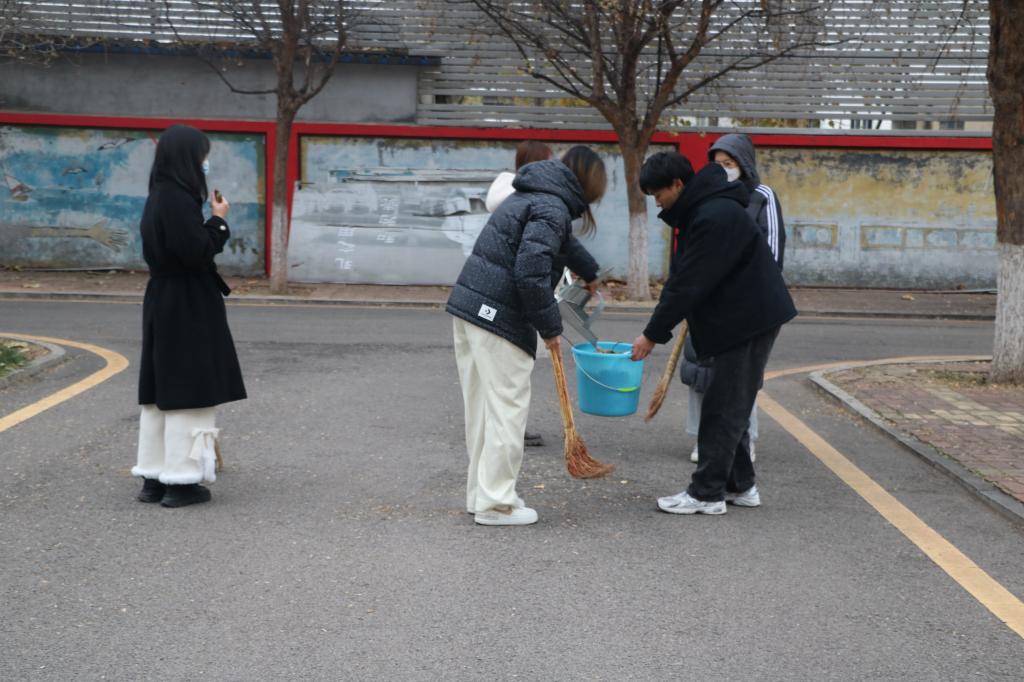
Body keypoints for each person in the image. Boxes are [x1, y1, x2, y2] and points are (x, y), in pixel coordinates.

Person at [447, 146, 606, 526]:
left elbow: (561, 243)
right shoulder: (551, 207)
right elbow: (530, 273)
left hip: (470, 307)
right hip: (500, 316)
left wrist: (589, 271)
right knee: (507, 411)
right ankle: (496, 505)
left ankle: (482, 495)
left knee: (483, 411)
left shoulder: (533, 194)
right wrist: (550, 328)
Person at [631, 151, 796, 515]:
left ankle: (707, 494)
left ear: (678, 184)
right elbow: (687, 279)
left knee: (722, 408)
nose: (657, 202)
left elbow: (687, 284)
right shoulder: (705, 209)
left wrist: (651, 335)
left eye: (658, 193)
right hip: (743, 317)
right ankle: (741, 485)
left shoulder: (712, 215)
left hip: (749, 319)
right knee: (729, 404)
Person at [132, 124, 247, 508]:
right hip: (187, 301)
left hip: (163, 297)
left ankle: (154, 476)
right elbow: (195, 252)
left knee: (161, 388)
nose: (204, 162)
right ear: (189, 158)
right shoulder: (178, 200)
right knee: (190, 388)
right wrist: (219, 221)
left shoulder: (158, 196)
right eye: (202, 155)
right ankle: (182, 481)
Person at [683, 133, 786, 464]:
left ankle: (743, 440)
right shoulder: (708, 197)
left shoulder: (762, 196)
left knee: (740, 377)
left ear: (744, 164)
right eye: (718, 164)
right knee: (699, 369)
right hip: (709, 301)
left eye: (729, 163)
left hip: (747, 304)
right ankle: (704, 438)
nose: (724, 170)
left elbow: (772, 253)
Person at [484, 140, 555, 448]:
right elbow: (530, 266)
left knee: (500, 369)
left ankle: (499, 425)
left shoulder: (508, 199)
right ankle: (509, 428)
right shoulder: (530, 202)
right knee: (514, 369)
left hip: (494, 292)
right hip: (512, 297)